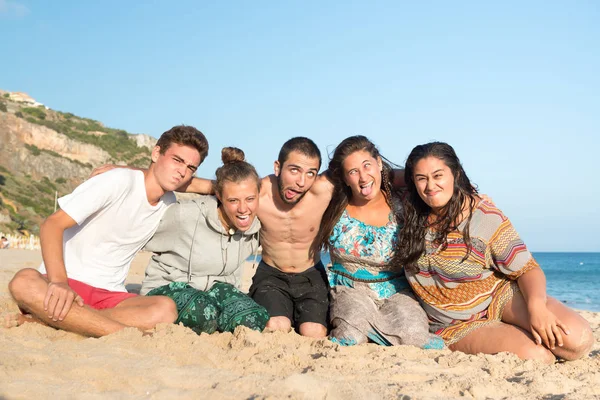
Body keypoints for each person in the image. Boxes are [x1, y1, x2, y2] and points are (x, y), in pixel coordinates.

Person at [396, 141, 594, 362]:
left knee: (578, 340)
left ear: (456, 173)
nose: (430, 186)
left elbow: (527, 269)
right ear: (412, 181)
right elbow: (377, 176)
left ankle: (517, 324)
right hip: (455, 323)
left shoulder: (484, 217)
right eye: (421, 178)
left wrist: (537, 308)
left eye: (438, 175)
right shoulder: (407, 210)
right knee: (538, 357)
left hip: (499, 295)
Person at [7, 125, 209, 337]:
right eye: (177, 160)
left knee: (165, 309)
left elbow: (216, 187)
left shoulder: (168, 202)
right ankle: (124, 333)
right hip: (66, 281)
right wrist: (59, 282)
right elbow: (51, 225)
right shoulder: (116, 180)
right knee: (23, 282)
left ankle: (57, 321)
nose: (182, 171)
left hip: (110, 295)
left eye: (191, 168)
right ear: (156, 153)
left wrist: (136, 168)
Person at [316, 136, 443, 348]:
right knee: (351, 337)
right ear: (345, 178)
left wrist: (473, 199)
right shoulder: (332, 204)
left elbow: (426, 182)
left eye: (367, 166)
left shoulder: (402, 202)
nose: (363, 177)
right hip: (350, 289)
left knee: (416, 338)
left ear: (379, 164)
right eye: (353, 171)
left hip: (397, 289)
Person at [140, 147, 269, 334]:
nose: (243, 209)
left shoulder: (256, 225)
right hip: (169, 285)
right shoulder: (186, 214)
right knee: (204, 314)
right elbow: (138, 235)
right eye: (233, 200)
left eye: (250, 199)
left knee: (253, 318)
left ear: (259, 196)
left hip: (217, 290)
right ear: (219, 197)